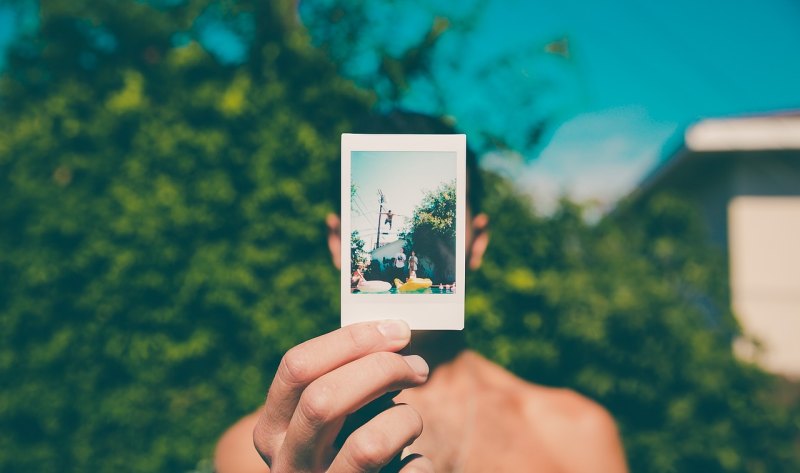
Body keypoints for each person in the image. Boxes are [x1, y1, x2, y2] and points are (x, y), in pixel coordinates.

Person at [214, 114, 628, 473]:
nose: (423, 245)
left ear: (477, 240)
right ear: (338, 242)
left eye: (442, 234)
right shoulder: (261, 454)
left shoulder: (577, 434)